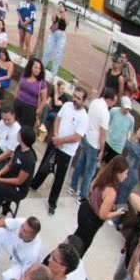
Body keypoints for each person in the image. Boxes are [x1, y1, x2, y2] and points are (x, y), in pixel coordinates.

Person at [45, 87, 89, 216]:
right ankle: (34, 185)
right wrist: (56, 135)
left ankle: (52, 203)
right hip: (55, 142)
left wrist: (60, 141)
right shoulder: (67, 105)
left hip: (67, 151)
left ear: (84, 101)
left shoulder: (84, 117)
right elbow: (58, 119)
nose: (75, 99)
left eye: (78, 98)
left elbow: (77, 137)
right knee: (44, 166)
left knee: (59, 178)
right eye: (74, 96)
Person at [0, 127, 37, 221]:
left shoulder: (29, 159)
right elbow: (10, 164)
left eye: (19, 132)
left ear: (22, 137)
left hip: (19, 189)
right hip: (10, 177)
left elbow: (19, 181)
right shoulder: (18, 147)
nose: (17, 133)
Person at [73, 156, 128, 257]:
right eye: (125, 173)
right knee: (79, 250)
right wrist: (117, 212)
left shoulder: (102, 176)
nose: (126, 176)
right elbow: (103, 215)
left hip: (85, 209)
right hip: (91, 221)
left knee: (75, 238)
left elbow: (91, 189)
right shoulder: (111, 191)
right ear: (118, 173)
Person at [70, 88, 118, 201]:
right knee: (90, 171)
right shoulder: (105, 113)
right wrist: (102, 150)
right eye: (114, 101)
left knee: (80, 163)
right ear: (110, 100)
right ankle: (82, 195)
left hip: (86, 136)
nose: (114, 104)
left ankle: (73, 186)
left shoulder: (95, 102)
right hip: (94, 143)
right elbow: (103, 134)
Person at [13, 57, 47, 129]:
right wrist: (15, 98)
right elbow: (18, 86)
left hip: (30, 109)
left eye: (39, 68)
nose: (37, 70)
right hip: (18, 104)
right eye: (35, 67)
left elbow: (44, 100)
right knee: (12, 125)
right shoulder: (24, 75)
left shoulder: (42, 83)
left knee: (24, 130)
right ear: (30, 66)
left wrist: (37, 111)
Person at [42, 3, 68, 78]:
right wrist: (54, 10)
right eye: (59, 5)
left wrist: (63, 12)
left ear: (64, 7)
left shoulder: (65, 14)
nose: (60, 7)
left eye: (61, 6)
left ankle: (53, 73)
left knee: (58, 54)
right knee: (47, 51)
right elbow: (53, 20)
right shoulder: (56, 12)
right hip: (53, 33)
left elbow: (67, 23)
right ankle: (42, 68)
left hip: (61, 35)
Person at [105, 96, 135, 162]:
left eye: (128, 108)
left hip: (118, 147)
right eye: (125, 108)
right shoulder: (113, 111)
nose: (127, 110)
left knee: (109, 165)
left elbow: (130, 132)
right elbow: (107, 123)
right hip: (108, 140)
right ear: (121, 105)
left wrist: (129, 138)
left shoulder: (131, 119)